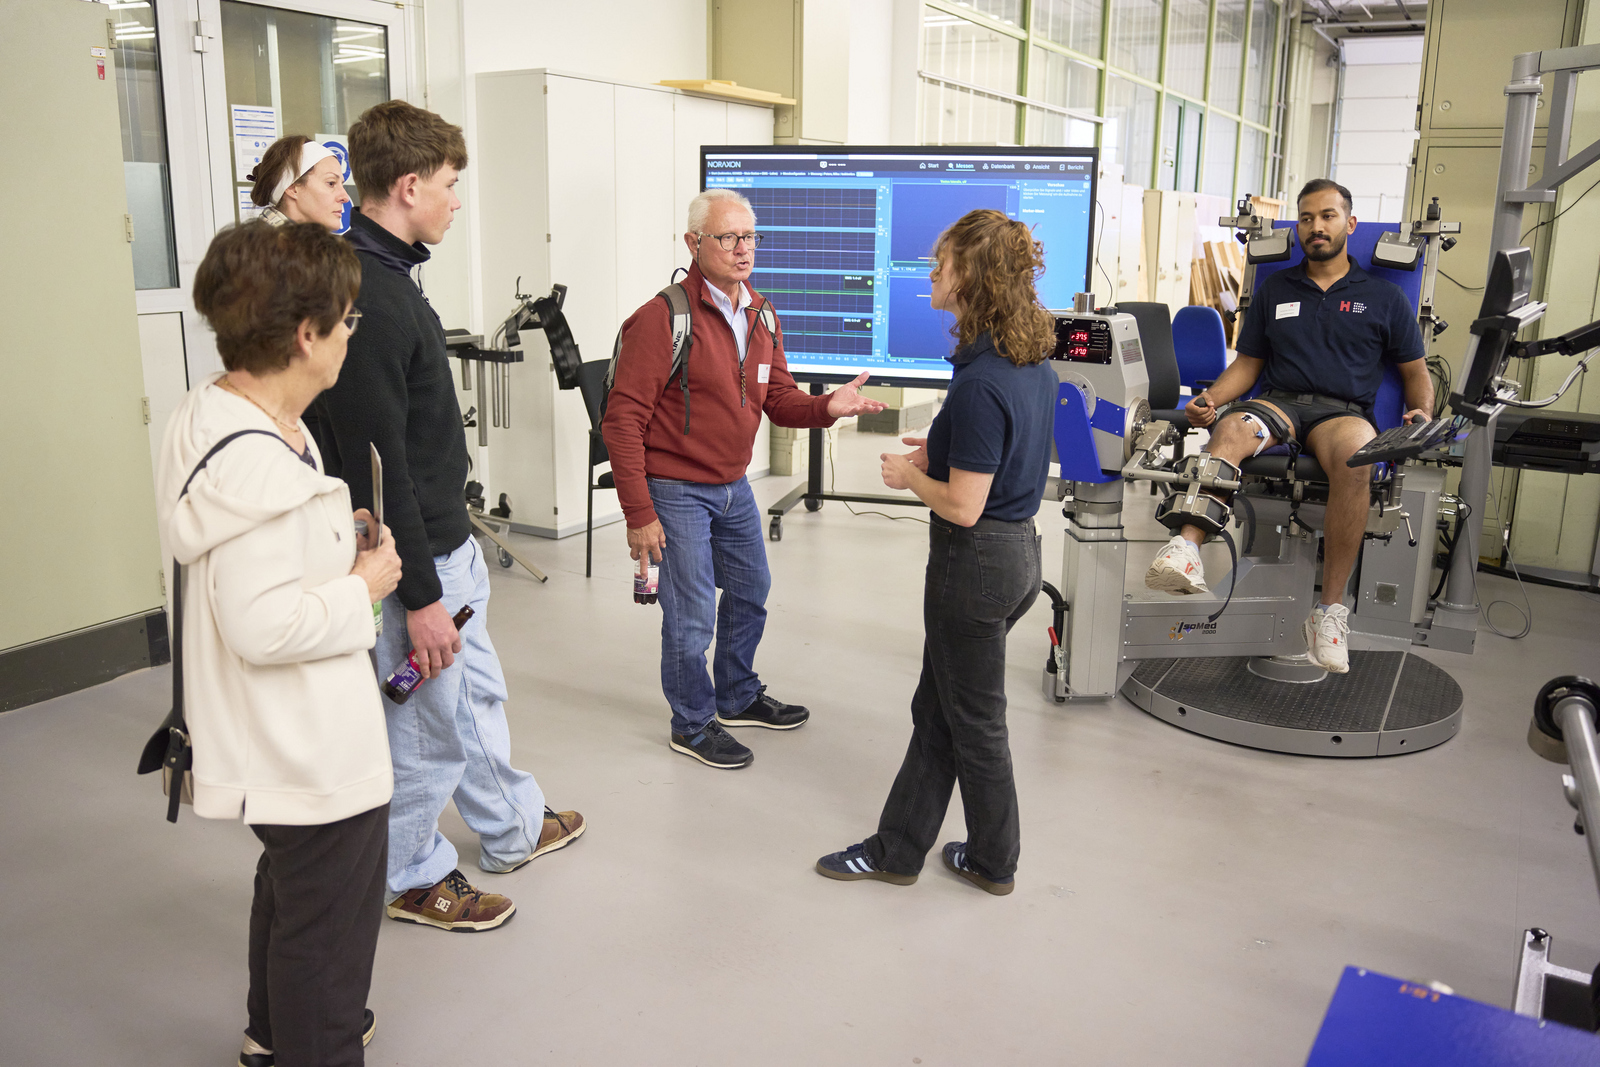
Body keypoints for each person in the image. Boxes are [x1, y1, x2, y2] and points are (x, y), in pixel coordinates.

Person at [314, 99, 583, 933]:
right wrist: (421, 597)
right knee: (429, 727)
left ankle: (508, 824)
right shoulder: (373, 297)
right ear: (407, 186)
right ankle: (411, 874)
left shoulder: (384, 273)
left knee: (473, 698)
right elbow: (377, 471)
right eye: (450, 184)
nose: (457, 200)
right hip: (416, 559)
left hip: (444, 548)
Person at [158, 220, 402, 1066]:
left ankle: (270, 1034)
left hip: (267, 737)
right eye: (346, 321)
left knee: (292, 887)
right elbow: (264, 625)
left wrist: (338, 535)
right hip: (309, 745)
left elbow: (254, 556)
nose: (349, 335)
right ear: (306, 334)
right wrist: (362, 587)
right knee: (328, 930)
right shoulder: (260, 467)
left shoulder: (217, 413)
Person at [601, 188, 886, 770]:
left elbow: (778, 399)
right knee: (691, 612)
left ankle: (735, 696)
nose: (741, 249)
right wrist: (638, 513)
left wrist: (829, 405)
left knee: (751, 592)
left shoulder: (761, 312)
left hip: (733, 486)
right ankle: (693, 722)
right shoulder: (662, 319)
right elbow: (621, 421)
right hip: (675, 489)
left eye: (749, 237)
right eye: (728, 237)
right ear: (693, 243)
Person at [815, 209, 1057, 895]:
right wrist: (942, 451)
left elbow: (962, 504)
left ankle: (988, 860)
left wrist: (910, 474)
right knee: (943, 709)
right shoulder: (1025, 355)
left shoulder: (982, 382)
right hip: (1016, 560)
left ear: (972, 278)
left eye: (941, 263)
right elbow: (1003, 456)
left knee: (972, 720)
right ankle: (904, 848)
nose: (932, 273)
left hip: (974, 564)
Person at [1142, 178, 1434, 673]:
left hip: (1341, 412)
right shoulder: (1276, 289)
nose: (1315, 227)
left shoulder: (1384, 298)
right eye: (1306, 218)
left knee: (1356, 457)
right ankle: (1187, 547)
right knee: (1231, 430)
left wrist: (1420, 413)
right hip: (1278, 405)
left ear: (1350, 223)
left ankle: (1329, 614)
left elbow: (1415, 374)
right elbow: (1248, 364)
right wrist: (1213, 397)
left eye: (1327, 216)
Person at [247, 134, 351, 231]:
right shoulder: (264, 248)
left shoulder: (304, 247)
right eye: (331, 183)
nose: (345, 197)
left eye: (342, 184)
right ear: (292, 188)